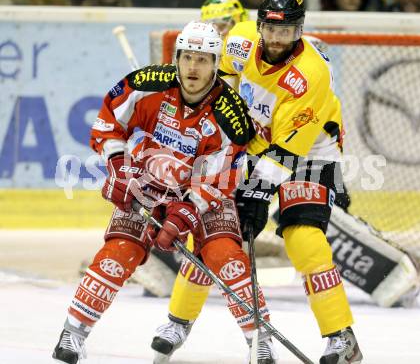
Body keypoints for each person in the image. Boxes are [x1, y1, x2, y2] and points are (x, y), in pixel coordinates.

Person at [152, 0, 364, 364]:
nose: (277, 40)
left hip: (311, 154)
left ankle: (341, 336)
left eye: (287, 32)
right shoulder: (241, 40)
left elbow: (286, 152)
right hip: (256, 144)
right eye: (270, 29)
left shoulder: (310, 75)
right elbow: (213, 81)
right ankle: (177, 322)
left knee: (305, 239)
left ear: (300, 30)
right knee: (212, 232)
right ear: (259, 24)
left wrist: (255, 196)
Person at [52, 21, 278, 364]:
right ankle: (73, 332)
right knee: (118, 253)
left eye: (202, 60)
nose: (193, 67)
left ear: (216, 64)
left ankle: (259, 339)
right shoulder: (145, 85)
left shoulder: (229, 115)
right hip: (148, 182)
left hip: (204, 192)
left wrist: (185, 212)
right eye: (187, 57)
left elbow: (220, 178)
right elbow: (109, 122)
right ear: (177, 57)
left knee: (225, 257)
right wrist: (117, 165)